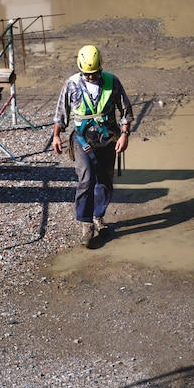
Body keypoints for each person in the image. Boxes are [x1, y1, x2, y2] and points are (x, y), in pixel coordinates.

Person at [52, 44, 134, 247]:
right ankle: (85, 222)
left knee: (105, 181)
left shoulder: (112, 82)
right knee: (86, 178)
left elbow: (126, 111)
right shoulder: (71, 84)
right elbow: (61, 113)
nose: (91, 77)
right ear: (80, 69)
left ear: (100, 68)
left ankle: (99, 217)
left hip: (108, 139)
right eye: (87, 74)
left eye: (94, 73)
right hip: (82, 139)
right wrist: (56, 135)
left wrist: (124, 135)